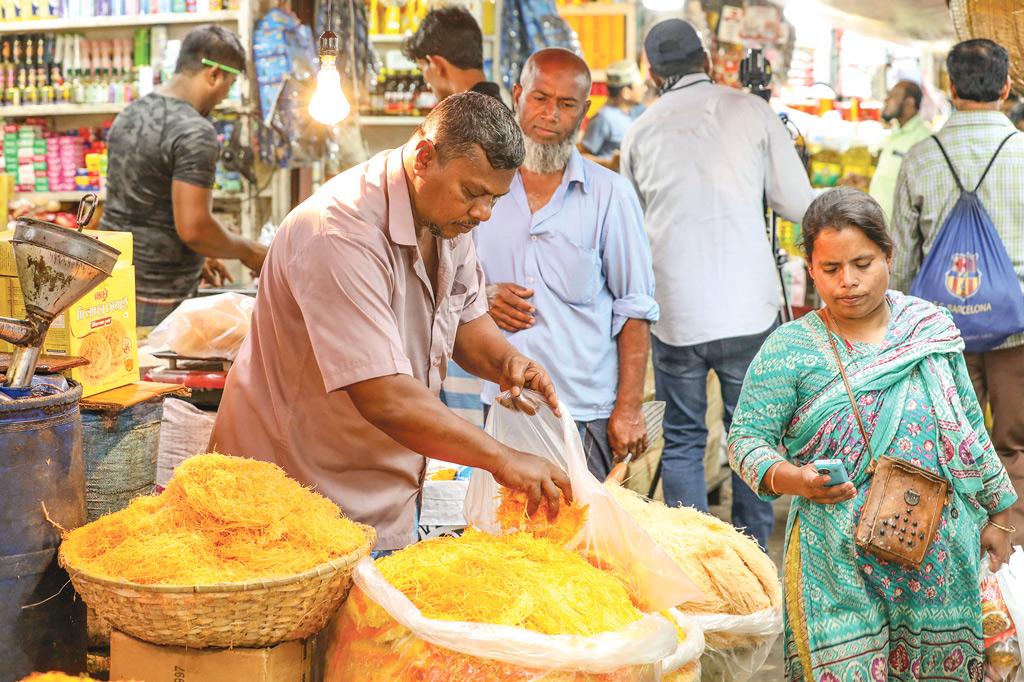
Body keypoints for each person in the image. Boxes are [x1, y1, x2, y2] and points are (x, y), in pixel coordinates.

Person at [210, 93, 572, 552]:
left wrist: (507, 362)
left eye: (495, 199)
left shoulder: (449, 221)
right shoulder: (338, 230)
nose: (483, 214)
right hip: (292, 505)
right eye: (473, 193)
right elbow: (384, 397)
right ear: (424, 157)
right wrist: (501, 459)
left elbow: (465, 322)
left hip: (387, 497)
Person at [729, 187, 1016, 680]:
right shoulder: (790, 348)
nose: (848, 282)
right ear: (811, 269)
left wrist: (1001, 517)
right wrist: (794, 479)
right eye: (831, 269)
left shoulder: (929, 328)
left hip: (938, 558)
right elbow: (745, 440)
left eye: (863, 263)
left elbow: (968, 426)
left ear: (889, 254)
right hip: (835, 563)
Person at [620, 19, 813, 548]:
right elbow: (797, 203)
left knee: (683, 438)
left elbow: (632, 226)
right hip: (749, 311)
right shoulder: (751, 110)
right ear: (705, 60)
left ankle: (696, 558)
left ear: (653, 72)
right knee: (753, 437)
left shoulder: (639, 130)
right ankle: (749, 558)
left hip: (676, 313)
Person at [474, 49, 658, 480]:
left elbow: (635, 309)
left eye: (566, 104)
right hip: (504, 403)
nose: (550, 114)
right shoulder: (481, 190)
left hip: (584, 411)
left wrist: (628, 409)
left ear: (585, 111)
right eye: (540, 98)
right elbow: (446, 282)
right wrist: (482, 297)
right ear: (517, 96)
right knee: (505, 541)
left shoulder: (611, 195)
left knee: (584, 539)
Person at [892, 39, 1024, 544]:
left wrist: (900, 333)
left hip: (942, 334)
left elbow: (900, 260)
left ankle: (953, 552)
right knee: (1014, 445)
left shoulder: (922, 157)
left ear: (949, 87)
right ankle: (1009, 551)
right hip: (1017, 330)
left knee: (950, 442)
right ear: (1006, 86)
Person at [100, 25, 267, 327]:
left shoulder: (130, 113)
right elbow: (195, 229)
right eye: (228, 85)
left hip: (114, 284)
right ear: (214, 74)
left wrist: (201, 253)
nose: (222, 97)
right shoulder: (194, 131)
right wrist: (250, 251)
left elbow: (140, 202)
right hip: (160, 294)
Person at [402, 6, 501, 102]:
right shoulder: (501, 108)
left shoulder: (464, 115)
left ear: (436, 64)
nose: (427, 83)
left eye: (421, 68)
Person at [867, 80, 931, 220]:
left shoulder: (924, 139)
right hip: (879, 225)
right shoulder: (894, 134)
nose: (887, 99)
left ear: (909, 102)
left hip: (901, 232)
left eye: (893, 96)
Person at [580, 59, 646, 168]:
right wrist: (609, 163)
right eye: (640, 86)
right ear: (626, 93)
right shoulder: (604, 118)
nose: (645, 89)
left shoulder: (636, 111)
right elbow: (580, 157)